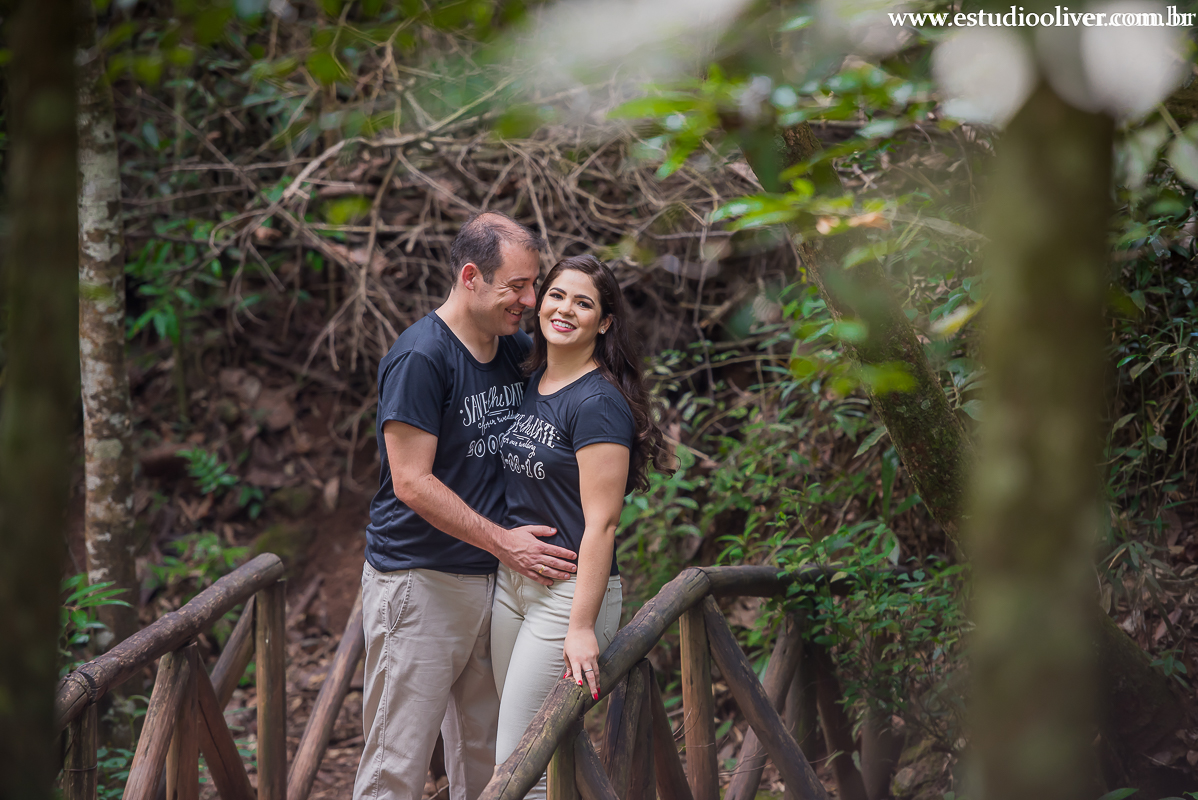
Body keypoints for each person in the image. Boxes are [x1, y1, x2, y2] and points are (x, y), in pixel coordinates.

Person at [354, 212, 581, 800]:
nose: (530, 301)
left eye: (535, 285)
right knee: (395, 764)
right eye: (518, 286)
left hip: (496, 583)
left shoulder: (515, 350)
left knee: (490, 760)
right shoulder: (421, 357)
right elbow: (411, 482)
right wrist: (504, 541)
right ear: (472, 276)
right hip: (419, 581)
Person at [490, 255, 672, 800]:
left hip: (567, 596)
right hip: (513, 586)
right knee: (543, 752)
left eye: (584, 302)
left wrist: (581, 626)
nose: (565, 309)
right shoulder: (532, 378)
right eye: (556, 295)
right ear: (539, 302)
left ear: (605, 322)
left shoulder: (597, 404)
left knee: (521, 763)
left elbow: (604, 523)